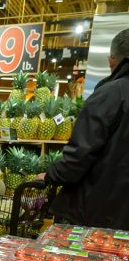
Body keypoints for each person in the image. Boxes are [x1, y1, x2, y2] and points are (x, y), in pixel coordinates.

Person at [40, 28, 129, 229]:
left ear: (112, 60)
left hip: (98, 214)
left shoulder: (112, 93)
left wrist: (51, 174)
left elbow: (80, 153)